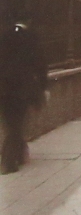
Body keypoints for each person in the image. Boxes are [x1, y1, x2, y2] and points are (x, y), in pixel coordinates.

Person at [0, 17, 48, 174]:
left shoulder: (4, 35)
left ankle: (20, 153)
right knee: (17, 124)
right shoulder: (31, 37)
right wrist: (43, 87)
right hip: (22, 88)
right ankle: (8, 159)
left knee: (10, 122)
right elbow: (40, 64)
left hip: (4, 87)